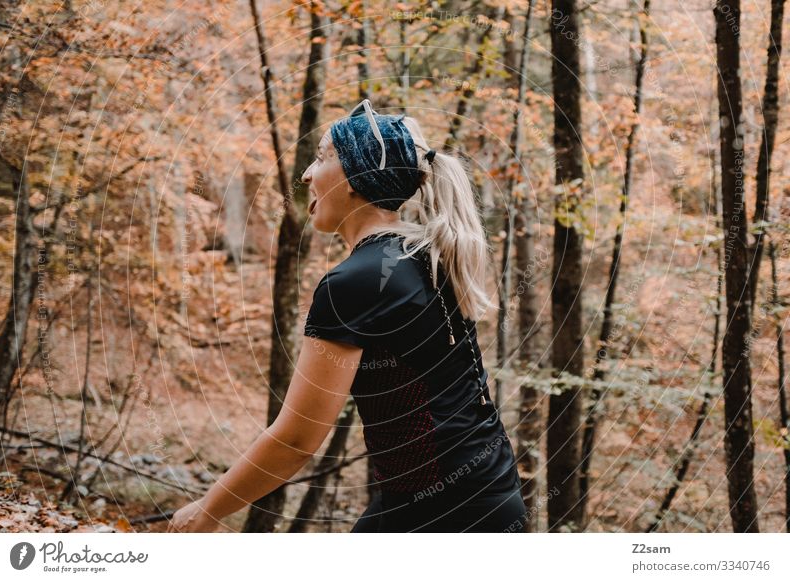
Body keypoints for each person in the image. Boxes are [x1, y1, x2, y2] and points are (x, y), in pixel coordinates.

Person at [168, 99, 526, 533]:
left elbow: (297, 439)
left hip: (440, 515)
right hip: (487, 498)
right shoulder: (424, 255)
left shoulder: (356, 282)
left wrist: (208, 509)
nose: (305, 175)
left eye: (321, 159)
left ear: (356, 177)